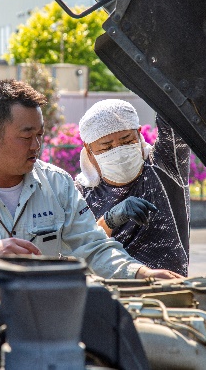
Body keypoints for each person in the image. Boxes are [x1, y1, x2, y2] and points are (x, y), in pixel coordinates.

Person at [0, 79, 181, 279]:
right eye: (26, 136)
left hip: (50, 322)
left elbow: (94, 248)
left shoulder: (58, 186)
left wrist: (142, 274)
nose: (37, 145)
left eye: (40, 135)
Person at [76, 99, 191, 276]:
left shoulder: (165, 165)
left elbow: (174, 107)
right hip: (109, 293)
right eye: (106, 146)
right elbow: (81, 247)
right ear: (89, 149)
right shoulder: (81, 193)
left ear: (138, 134)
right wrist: (110, 220)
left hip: (170, 289)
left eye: (126, 140)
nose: (118, 150)